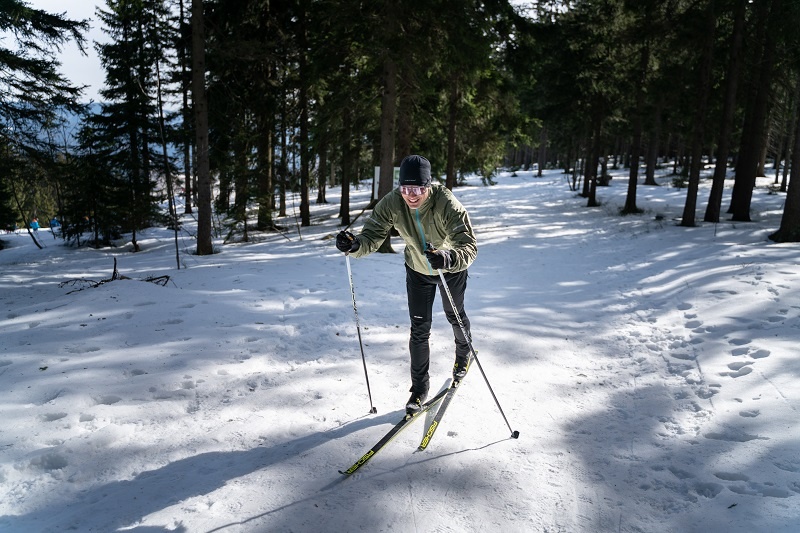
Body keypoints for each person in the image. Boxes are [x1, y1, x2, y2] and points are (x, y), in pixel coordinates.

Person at [335, 154, 477, 414]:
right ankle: (419, 389)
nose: (411, 195)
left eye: (418, 189)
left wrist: (448, 257)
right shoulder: (392, 203)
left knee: (454, 315)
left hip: (449, 268)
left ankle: (463, 353)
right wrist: (354, 245)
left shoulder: (446, 203)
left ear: (428, 186)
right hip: (418, 270)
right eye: (405, 189)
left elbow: (468, 245)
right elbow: (372, 234)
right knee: (419, 328)